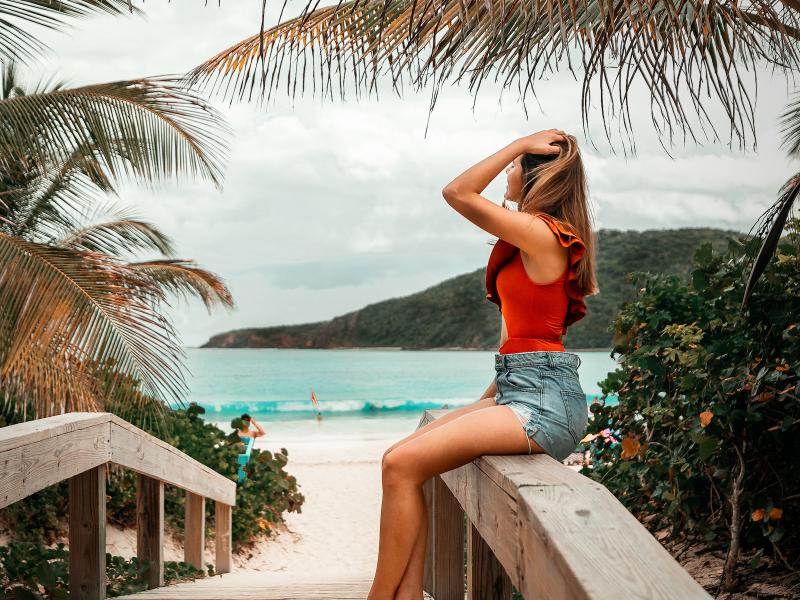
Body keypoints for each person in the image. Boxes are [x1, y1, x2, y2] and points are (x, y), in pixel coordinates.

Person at [368, 130, 599, 600]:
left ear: (535, 173)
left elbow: (457, 193)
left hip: (543, 403)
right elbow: (516, 342)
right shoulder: (526, 242)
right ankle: (406, 594)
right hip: (522, 391)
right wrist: (482, 404)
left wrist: (519, 143)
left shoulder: (542, 235)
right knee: (403, 459)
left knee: (400, 464)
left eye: (515, 166)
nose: (507, 174)